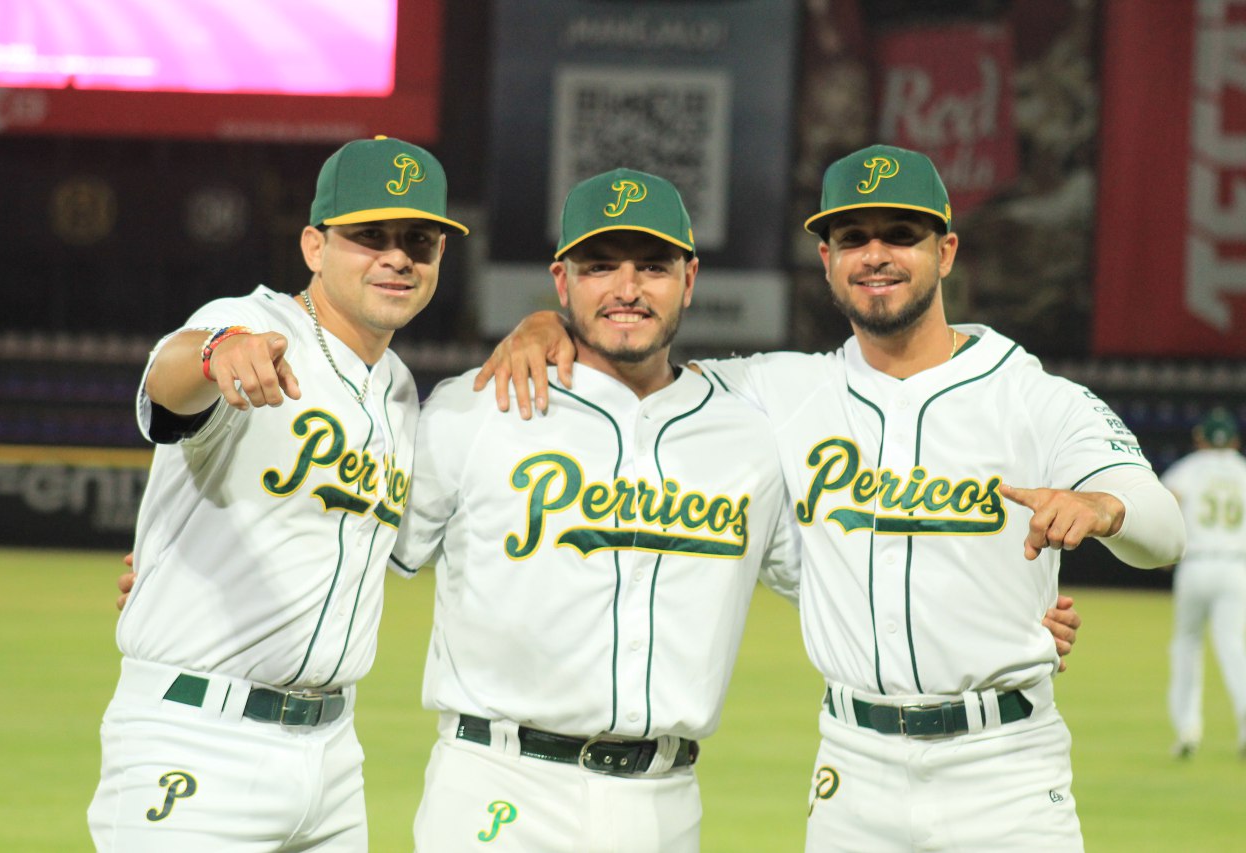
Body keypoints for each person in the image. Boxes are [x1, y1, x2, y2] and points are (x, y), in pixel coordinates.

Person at [476, 144, 1184, 852]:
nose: (876, 254)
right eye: (853, 238)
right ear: (826, 259)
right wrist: (549, 324)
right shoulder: (776, 391)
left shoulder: (1032, 395)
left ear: (947, 251)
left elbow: (1163, 527)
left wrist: (1104, 509)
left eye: (901, 235)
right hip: (854, 769)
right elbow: (632, 358)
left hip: (1005, 766)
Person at [390, 168, 801, 852]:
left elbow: (850, 581)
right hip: (498, 785)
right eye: (600, 266)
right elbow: (351, 542)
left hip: (663, 803)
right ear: (562, 281)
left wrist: (1019, 609)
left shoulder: (748, 437)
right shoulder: (476, 407)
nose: (627, 289)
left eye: (654, 267)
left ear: (690, 279)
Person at [88, 135, 468, 851]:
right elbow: (170, 382)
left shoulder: (398, 393)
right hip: (197, 737)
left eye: (419, 240)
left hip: (331, 759)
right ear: (314, 247)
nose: (397, 256)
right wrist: (214, 351)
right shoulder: (255, 323)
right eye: (368, 236)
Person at [1161, 407, 1246, 759]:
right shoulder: (1242, 470)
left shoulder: (1187, 469)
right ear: (1235, 440)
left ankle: (1187, 730)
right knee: (1233, 648)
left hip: (1194, 565)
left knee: (1186, 645)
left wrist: (1163, 552)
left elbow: (1166, 505)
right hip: (1235, 567)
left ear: (1200, 439)